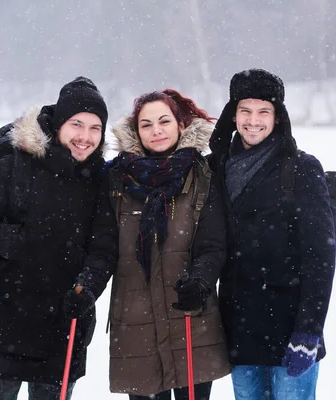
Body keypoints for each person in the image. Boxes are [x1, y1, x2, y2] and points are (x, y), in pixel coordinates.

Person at [0, 77, 118, 400]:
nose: (85, 137)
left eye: (95, 128)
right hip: (4, 322)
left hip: (65, 326)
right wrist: (11, 241)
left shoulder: (101, 180)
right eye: (76, 124)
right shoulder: (17, 165)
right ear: (58, 125)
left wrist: (88, 289)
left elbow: (104, 250)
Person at [78, 89, 231, 399]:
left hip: (190, 317)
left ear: (180, 124)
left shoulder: (202, 176)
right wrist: (88, 287)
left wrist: (200, 281)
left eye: (164, 121)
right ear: (136, 131)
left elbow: (212, 245)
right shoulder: (116, 181)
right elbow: (104, 249)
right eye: (146, 124)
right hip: (137, 326)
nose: (156, 130)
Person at [208, 69, 336, 400]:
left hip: (289, 331)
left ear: (278, 117)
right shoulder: (216, 168)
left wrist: (309, 330)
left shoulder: (302, 169)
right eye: (245, 111)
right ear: (232, 115)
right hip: (239, 330)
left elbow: (319, 256)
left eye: (264, 111)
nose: (254, 121)